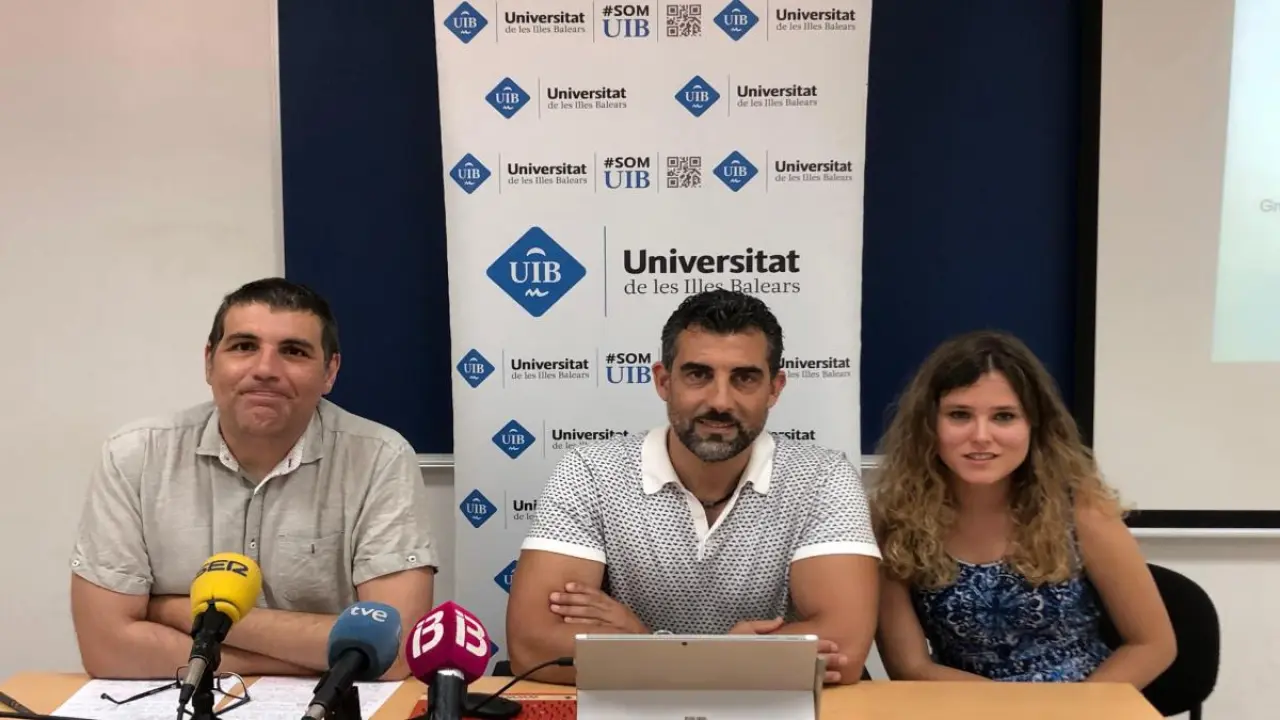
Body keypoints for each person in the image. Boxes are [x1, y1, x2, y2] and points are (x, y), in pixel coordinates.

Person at [505, 289, 881, 685]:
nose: (720, 401)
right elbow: (532, 646)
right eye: (698, 375)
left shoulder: (823, 477)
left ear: (775, 388)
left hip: (768, 710)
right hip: (636, 710)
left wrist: (644, 641)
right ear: (663, 381)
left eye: (744, 378)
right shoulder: (591, 473)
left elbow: (842, 649)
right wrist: (727, 661)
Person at [69, 278, 438, 680]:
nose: (265, 370)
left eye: (293, 351)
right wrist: (297, 662)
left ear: (329, 372)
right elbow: (107, 651)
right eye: (244, 346)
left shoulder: (380, 458)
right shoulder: (135, 456)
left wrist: (174, 609)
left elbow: (393, 652)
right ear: (209, 362)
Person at [870, 330, 1176, 686]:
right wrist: (1007, 708)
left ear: (1034, 424)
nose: (981, 436)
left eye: (1003, 416)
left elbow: (1152, 645)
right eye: (959, 415)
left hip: (1081, 704)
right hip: (961, 704)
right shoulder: (895, 519)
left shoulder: (1081, 511)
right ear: (928, 425)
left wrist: (1069, 710)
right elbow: (909, 666)